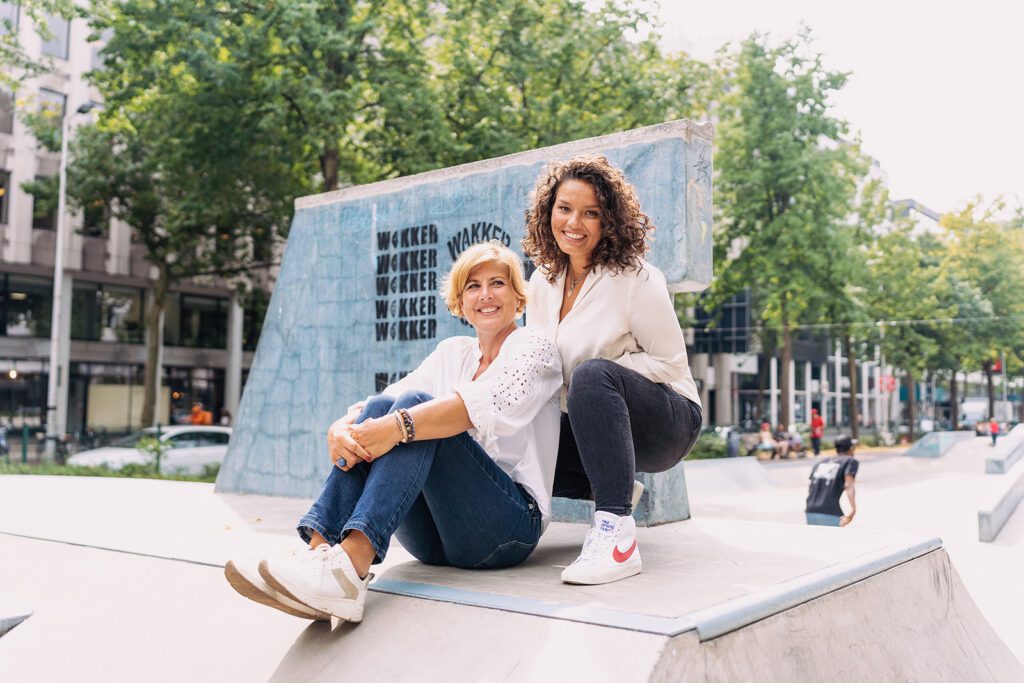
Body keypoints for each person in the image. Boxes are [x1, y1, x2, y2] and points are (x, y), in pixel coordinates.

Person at [224, 241, 562, 622]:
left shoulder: (534, 347)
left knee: (414, 411)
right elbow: (384, 401)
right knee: (389, 407)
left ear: (518, 295)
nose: (485, 295)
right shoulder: (454, 352)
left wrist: (399, 425)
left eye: (497, 283)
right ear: (460, 300)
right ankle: (318, 559)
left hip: (507, 529)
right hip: (435, 538)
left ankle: (349, 572)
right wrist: (341, 428)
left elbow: (481, 405)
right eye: (473, 286)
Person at [522, 155, 702, 585]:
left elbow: (670, 363)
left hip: (666, 419)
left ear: (609, 220)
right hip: (591, 422)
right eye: (565, 208)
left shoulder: (635, 278)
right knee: (517, 430)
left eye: (590, 213)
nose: (574, 223)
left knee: (591, 376)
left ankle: (617, 535)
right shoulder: (542, 281)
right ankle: (608, 483)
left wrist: (599, 376)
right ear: (548, 212)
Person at [805, 434, 858, 527]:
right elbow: (848, 485)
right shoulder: (850, 461)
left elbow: (811, 487)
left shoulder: (821, 462)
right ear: (850, 448)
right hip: (830, 512)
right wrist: (853, 509)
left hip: (810, 510)